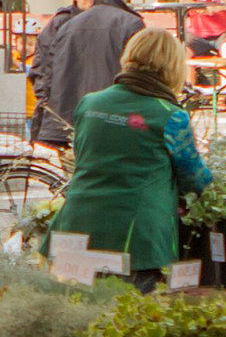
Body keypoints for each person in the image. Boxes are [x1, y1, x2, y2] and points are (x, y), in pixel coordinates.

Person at [47, 29, 214, 288]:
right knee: (128, 318)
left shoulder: (90, 104)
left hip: (79, 224)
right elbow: (195, 179)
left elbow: (81, 157)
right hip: (136, 237)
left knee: (79, 313)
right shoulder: (170, 116)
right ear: (172, 67)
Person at [29, 0, 144, 150]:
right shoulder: (131, 24)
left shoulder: (67, 26)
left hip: (67, 122)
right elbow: (141, 77)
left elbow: (46, 75)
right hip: (113, 121)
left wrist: (50, 114)